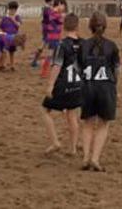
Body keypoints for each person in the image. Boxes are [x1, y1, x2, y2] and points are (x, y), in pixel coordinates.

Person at [79, 11, 120, 172]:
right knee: (103, 123)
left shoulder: (83, 45)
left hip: (88, 86)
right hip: (105, 86)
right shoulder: (112, 46)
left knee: (88, 123)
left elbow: (78, 67)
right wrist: (116, 85)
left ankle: (85, 157)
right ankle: (95, 158)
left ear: (90, 26)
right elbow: (117, 69)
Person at [41, 12, 83, 154]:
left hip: (63, 84)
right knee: (72, 115)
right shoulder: (84, 44)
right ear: (78, 26)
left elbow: (57, 66)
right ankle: (72, 148)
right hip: (78, 84)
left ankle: (55, 142)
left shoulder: (62, 45)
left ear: (64, 27)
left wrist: (50, 85)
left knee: (45, 110)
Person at [0, 0, 24, 71]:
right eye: (11, 9)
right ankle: (1, 65)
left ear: (16, 10)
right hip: (5, 37)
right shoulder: (5, 18)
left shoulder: (17, 17)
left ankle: (12, 65)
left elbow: (19, 25)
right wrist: (1, 32)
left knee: (12, 52)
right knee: (4, 51)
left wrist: (13, 19)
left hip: (13, 37)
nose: (12, 11)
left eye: (14, 9)